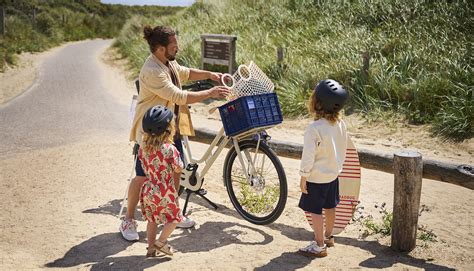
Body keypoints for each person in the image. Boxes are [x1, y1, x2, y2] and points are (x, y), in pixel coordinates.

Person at [120, 25, 230, 241]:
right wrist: (212, 92)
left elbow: (185, 73)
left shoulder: (167, 62)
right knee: (143, 176)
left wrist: (211, 75)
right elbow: (178, 96)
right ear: (160, 49)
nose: (177, 50)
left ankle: (172, 213)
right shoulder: (152, 70)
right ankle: (128, 219)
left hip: (169, 128)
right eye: (173, 47)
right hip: (151, 132)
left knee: (175, 172)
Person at [297, 79, 349, 257]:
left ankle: (319, 246)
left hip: (316, 178)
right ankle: (328, 237)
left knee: (315, 211)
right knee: (330, 207)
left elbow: (308, 156)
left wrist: (303, 177)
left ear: (318, 103)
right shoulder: (341, 124)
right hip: (333, 176)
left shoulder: (314, 128)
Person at [139, 105, 182, 257]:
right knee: (175, 218)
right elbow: (178, 168)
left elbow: (144, 166)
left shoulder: (142, 148)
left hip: (148, 188)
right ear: (168, 130)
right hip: (166, 190)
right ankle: (161, 242)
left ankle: (150, 249)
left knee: (152, 220)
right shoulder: (170, 149)